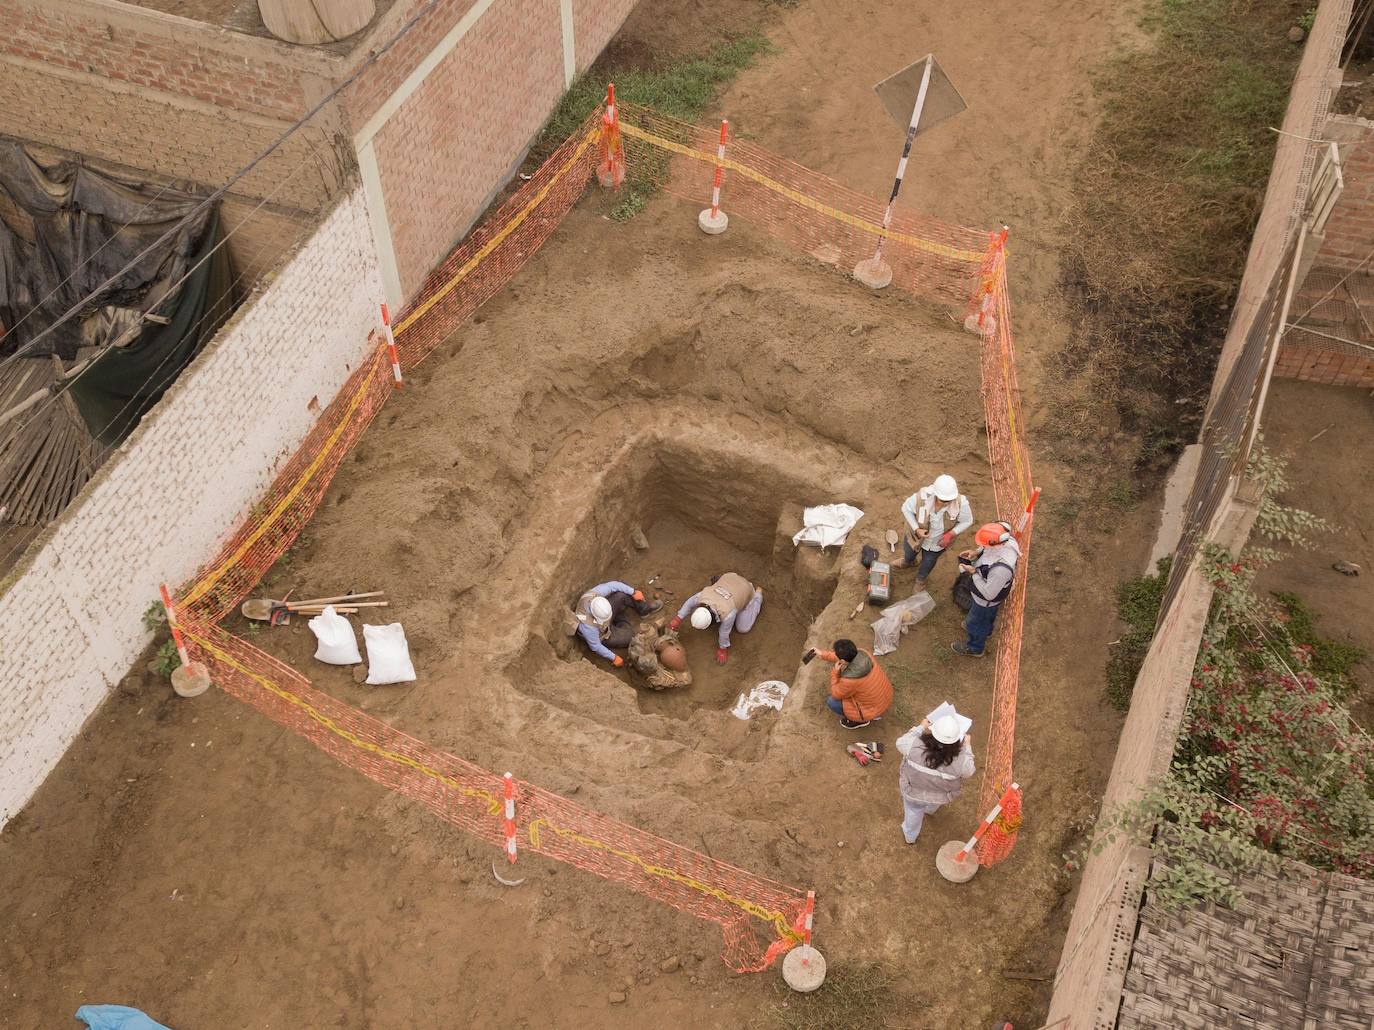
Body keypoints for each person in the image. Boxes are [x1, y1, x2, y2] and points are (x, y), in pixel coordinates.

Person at [898, 713, 975, 843]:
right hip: (940, 796)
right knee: (932, 801)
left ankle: (910, 837)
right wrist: (967, 746)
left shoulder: (913, 745)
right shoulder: (961, 761)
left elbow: (900, 742)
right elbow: (969, 771)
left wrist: (921, 727)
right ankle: (929, 810)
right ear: (958, 739)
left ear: (932, 732)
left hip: (913, 792)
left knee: (913, 812)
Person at [952, 521, 1021, 657]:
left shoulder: (1000, 570)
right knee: (986, 617)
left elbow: (988, 594)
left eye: (983, 544)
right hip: (990, 599)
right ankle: (986, 629)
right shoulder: (1006, 540)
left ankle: (975, 648)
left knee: (976, 623)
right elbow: (987, 549)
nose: (982, 546)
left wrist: (973, 573)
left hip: (985, 601)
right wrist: (976, 553)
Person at [896, 474, 973, 591]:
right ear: (935, 494)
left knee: (929, 561)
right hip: (915, 536)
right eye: (943, 500)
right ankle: (908, 562)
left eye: (949, 500)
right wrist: (917, 528)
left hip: (937, 542)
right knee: (909, 551)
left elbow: (967, 520)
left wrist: (951, 534)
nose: (947, 503)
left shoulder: (961, 503)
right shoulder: (921, 498)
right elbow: (906, 508)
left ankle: (920, 580)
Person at [670, 572, 762, 664]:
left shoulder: (728, 614)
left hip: (746, 589)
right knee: (726, 598)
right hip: (730, 577)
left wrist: (723, 649)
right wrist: (678, 618)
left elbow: (724, 632)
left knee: (743, 628)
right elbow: (689, 602)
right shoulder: (703, 595)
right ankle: (721, 583)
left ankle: (757, 596)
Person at [808, 638, 893, 729]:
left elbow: (836, 694)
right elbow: (844, 656)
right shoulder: (864, 653)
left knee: (832, 702)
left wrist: (835, 672)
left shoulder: (849, 680)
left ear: (843, 661)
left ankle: (859, 721)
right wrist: (823, 654)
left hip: (872, 709)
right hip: (886, 697)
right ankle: (874, 713)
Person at [572, 580, 661, 666]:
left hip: (603, 618)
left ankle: (644, 610)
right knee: (630, 636)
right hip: (602, 634)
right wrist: (613, 658)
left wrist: (633, 592)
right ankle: (621, 619)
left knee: (622, 594)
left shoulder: (593, 596)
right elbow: (595, 646)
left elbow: (612, 585)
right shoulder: (588, 628)